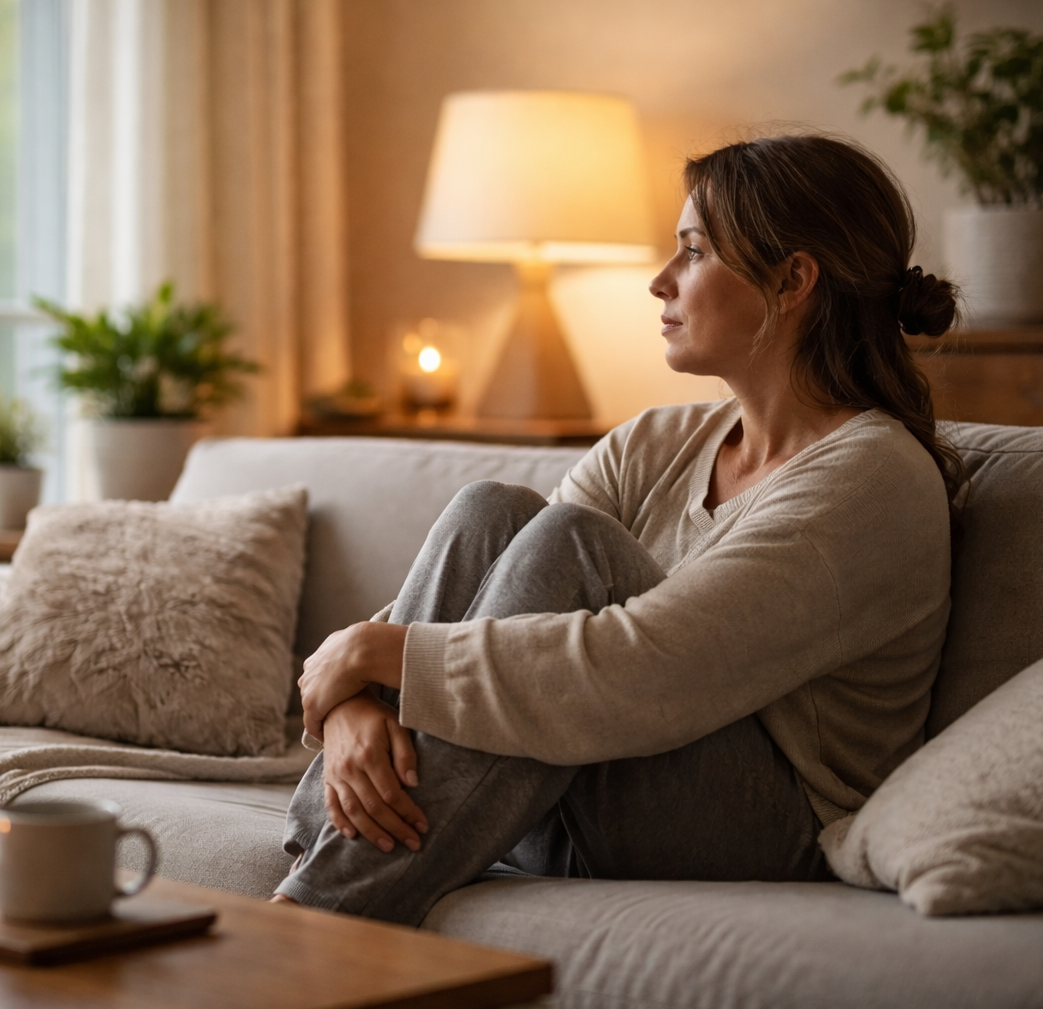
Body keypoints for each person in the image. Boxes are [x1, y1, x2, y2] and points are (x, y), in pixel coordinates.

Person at [272, 133, 963, 926]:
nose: (660, 280)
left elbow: (642, 670)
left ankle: (315, 915)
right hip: (576, 785)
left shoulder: (872, 479)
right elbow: (505, 590)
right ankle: (330, 871)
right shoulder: (656, 442)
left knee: (573, 540)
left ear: (793, 280)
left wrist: (371, 655)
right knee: (493, 510)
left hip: (766, 828)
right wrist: (355, 701)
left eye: (693, 252)